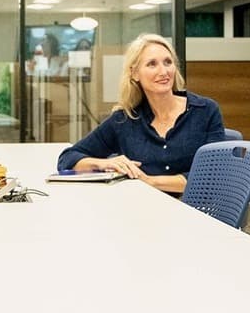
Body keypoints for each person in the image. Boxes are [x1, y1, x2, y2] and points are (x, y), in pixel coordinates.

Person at [56, 33, 226, 193]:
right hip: (141, 211)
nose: (163, 71)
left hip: (196, 211)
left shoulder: (205, 111)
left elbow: (213, 176)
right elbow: (68, 159)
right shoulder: (124, 120)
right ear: (134, 73)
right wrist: (106, 163)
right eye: (152, 64)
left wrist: (149, 181)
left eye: (168, 62)